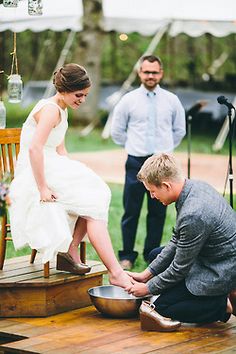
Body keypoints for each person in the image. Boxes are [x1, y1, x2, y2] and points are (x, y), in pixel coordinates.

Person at [9, 63, 132, 289]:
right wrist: (43, 188)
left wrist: (77, 171)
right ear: (64, 89)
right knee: (95, 200)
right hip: (36, 171)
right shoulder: (50, 110)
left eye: (85, 96)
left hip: (52, 164)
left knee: (96, 190)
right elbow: (35, 149)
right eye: (79, 95)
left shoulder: (62, 109)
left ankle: (71, 249)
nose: (82, 100)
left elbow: (60, 150)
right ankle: (113, 271)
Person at [127, 153, 236, 330]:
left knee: (162, 308)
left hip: (221, 269)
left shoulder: (194, 213)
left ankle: (220, 305)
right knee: (155, 255)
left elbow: (179, 269)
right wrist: (146, 274)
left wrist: (147, 288)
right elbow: (178, 239)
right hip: (209, 255)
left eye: (152, 191)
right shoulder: (193, 187)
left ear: (166, 185)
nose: (152, 196)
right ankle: (194, 295)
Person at [111, 55, 186, 269]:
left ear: (161, 73)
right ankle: (126, 256)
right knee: (131, 210)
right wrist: (133, 146)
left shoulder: (172, 100)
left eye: (154, 72)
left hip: (162, 166)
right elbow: (117, 131)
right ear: (139, 73)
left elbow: (179, 130)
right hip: (136, 162)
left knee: (157, 212)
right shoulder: (129, 100)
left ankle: (152, 255)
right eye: (146, 72)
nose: (150, 76)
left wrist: (165, 150)